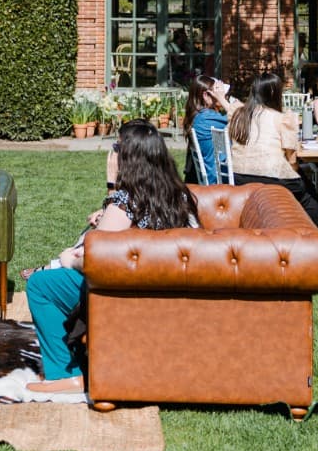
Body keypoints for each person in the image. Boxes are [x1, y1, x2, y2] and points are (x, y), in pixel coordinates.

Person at [25, 121, 199, 394]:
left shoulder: (126, 201)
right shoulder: (181, 195)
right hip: (167, 293)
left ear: (130, 157)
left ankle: (66, 373)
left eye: (117, 147)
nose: (113, 153)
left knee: (41, 285)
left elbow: (98, 262)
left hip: (122, 296)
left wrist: (70, 260)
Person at [225, 72, 318, 231]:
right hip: (271, 177)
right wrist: (295, 170)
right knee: (308, 194)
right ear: (274, 93)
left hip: (238, 177)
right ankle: (317, 233)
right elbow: (291, 158)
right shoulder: (282, 118)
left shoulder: (238, 114)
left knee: (303, 183)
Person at [182, 72, 233, 183]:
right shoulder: (207, 118)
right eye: (217, 93)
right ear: (206, 95)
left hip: (211, 175)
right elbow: (243, 119)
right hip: (218, 179)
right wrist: (222, 100)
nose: (223, 96)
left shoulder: (198, 115)